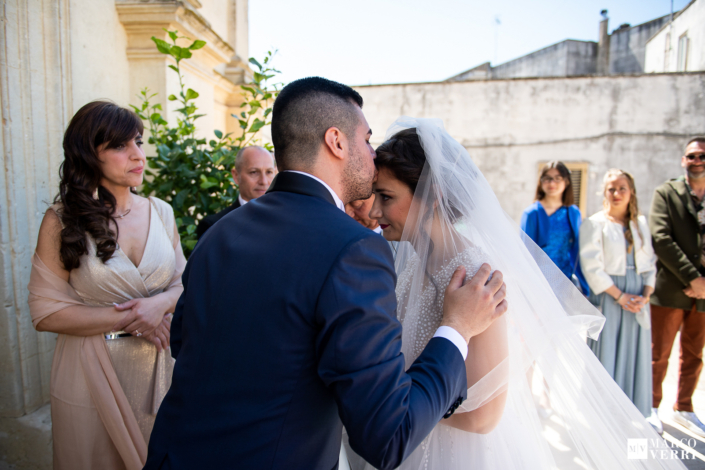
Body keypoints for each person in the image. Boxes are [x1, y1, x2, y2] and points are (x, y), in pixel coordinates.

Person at [144, 77, 508, 470]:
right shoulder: (353, 249)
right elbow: (387, 436)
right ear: (336, 142)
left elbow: (184, 342)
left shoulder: (220, 233)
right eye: (366, 140)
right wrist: (455, 328)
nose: (372, 157)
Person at [351, 116, 685, 469]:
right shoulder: (413, 259)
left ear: (431, 197)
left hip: (447, 448)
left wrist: (397, 407)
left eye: (385, 197)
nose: (373, 211)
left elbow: (484, 415)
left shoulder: (475, 275)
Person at [27, 101, 186, 470]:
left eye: (139, 142)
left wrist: (158, 304)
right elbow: (45, 312)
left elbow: (185, 284)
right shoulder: (60, 221)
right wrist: (135, 316)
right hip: (89, 373)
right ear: (87, 153)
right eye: (119, 146)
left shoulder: (161, 211)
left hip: (159, 372)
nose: (137, 155)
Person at [579, 169, 656, 426]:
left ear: (631, 191)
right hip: (611, 295)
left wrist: (645, 295)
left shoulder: (641, 224)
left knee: (634, 352)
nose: (616, 193)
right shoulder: (595, 223)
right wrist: (620, 296)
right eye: (611, 188)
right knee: (608, 351)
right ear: (604, 192)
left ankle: (633, 411)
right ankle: (603, 414)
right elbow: (591, 266)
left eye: (622, 188)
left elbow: (650, 263)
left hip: (638, 296)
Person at [650, 136, 705, 437]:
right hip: (672, 289)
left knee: (694, 354)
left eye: (702, 156)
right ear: (684, 160)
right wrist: (692, 279)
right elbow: (661, 238)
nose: (697, 161)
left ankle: (684, 407)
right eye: (692, 156)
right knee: (659, 353)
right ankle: (652, 407)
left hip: (704, 296)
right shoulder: (666, 192)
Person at [521, 161, 589, 295]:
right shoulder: (531, 213)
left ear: (567, 181)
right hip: (540, 282)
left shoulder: (573, 212)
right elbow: (525, 253)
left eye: (558, 178)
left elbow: (577, 251)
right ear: (541, 182)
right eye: (547, 178)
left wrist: (584, 286)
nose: (552, 183)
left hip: (566, 281)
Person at [196, 145, 276, 239]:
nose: (264, 181)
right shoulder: (214, 226)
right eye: (254, 172)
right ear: (236, 176)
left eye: (269, 172)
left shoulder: (286, 219)